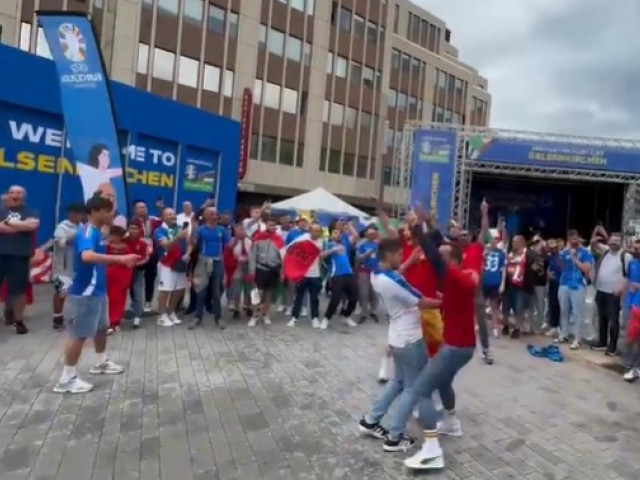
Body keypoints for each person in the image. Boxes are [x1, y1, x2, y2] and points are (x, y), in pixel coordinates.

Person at [396, 223, 478, 471]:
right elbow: (444, 299)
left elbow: (433, 255)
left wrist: (418, 229)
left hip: (456, 347)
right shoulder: (459, 278)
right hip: (458, 345)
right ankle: (452, 423)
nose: (433, 261)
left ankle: (432, 450)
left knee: (421, 390)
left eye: (441, 258)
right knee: (442, 382)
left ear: (451, 260)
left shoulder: (455, 276)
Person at [358, 237, 442, 452]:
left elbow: (396, 276)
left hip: (397, 337)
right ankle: (395, 436)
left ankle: (371, 420)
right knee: (412, 389)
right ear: (389, 255)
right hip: (410, 340)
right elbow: (421, 301)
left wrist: (408, 263)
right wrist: (450, 301)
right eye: (399, 255)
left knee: (397, 382)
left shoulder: (378, 273)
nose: (401, 258)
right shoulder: (391, 281)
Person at [53, 196, 138, 394]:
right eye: (109, 211)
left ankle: (100, 363)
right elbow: (87, 256)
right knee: (79, 336)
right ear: (97, 211)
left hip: (98, 291)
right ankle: (66, 379)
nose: (112, 215)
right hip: (85, 294)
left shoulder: (97, 232)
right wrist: (121, 258)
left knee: (101, 328)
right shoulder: (88, 231)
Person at [0, 185, 40, 334]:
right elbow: (25, 226)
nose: (15, 195)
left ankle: (18, 320)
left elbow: (32, 226)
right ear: (8, 195)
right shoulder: (1, 209)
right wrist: (20, 226)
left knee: (19, 290)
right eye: (12, 192)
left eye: (18, 193)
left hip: (20, 256)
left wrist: (7, 223)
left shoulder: (31, 211)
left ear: (23, 196)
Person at [590, 230, 630, 355]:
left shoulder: (625, 256)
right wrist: (597, 234)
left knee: (613, 320)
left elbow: (629, 275)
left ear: (621, 243)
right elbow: (593, 244)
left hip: (613, 294)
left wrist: (622, 289)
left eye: (617, 240)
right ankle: (602, 342)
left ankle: (612, 346)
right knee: (602, 318)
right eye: (612, 240)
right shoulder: (606, 251)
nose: (614, 242)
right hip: (600, 290)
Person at [189, 207, 230, 329]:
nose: (214, 215)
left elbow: (228, 245)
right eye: (211, 214)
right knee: (201, 290)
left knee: (216, 292)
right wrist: (192, 230)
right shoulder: (201, 230)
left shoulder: (222, 230)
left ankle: (218, 318)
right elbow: (193, 244)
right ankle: (198, 317)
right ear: (206, 216)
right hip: (203, 261)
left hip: (217, 261)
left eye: (216, 213)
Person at [556, 229, 593, 349]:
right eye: (571, 238)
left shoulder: (585, 252)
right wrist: (562, 254)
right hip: (564, 284)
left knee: (578, 314)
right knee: (564, 311)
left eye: (576, 238)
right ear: (568, 240)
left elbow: (586, 269)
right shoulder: (563, 252)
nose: (574, 240)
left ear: (579, 238)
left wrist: (574, 257)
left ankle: (578, 339)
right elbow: (561, 267)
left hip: (578, 285)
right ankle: (564, 334)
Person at [154, 208, 191, 327]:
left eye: (174, 214)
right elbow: (166, 246)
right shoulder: (159, 230)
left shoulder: (180, 228)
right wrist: (177, 237)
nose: (172, 216)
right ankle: (161, 316)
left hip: (181, 263)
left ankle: (172, 312)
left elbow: (190, 243)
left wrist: (188, 254)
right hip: (166, 263)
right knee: (165, 289)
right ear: (163, 217)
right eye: (169, 214)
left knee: (179, 289)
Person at [52, 203, 85, 331]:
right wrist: (77, 239)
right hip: (63, 265)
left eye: (82, 214)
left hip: (78, 264)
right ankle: (57, 318)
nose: (80, 217)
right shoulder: (62, 227)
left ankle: (76, 317)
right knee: (61, 292)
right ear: (71, 214)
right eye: (77, 214)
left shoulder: (82, 226)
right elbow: (61, 243)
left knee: (77, 292)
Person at [320, 225, 360, 329]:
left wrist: (349, 225)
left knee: (354, 298)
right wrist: (333, 250)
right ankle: (326, 318)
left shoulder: (345, 243)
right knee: (335, 299)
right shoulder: (328, 244)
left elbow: (356, 236)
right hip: (337, 275)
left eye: (339, 233)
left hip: (349, 274)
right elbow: (322, 256)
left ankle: (346, 316)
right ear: (331, 235)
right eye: (335, 233)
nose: (337, 235)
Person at [288, 222, 324, 328]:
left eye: (318, 231)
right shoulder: (303, 240)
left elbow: (320, 258)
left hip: (315, 274)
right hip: (303, 274)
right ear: (310, 231)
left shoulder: (320, 243)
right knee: (299, 296)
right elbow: (294, 250)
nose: (316, 233)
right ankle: (294, 317)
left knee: (314, 298)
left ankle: (315, 318)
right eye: (314, 230)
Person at [248, 217, 284, 326]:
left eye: (273, 225)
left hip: (273, 270)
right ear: (266, 225)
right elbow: (253, 255)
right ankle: (254, 315)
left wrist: (282, 272)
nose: (271, 227)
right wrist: (252, 271)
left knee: (269, 294)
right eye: (269, 225)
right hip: (260, 268)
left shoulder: (279, 240)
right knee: (257, 294)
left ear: (276, 227)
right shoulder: (259, 237)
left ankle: (265, 314)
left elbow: (283, 257)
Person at [129, 200, 162, 313]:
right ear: (135, 209)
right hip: (137, 254)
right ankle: (135, 303)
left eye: (144, 206)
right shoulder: (131, 222)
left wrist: (160, 208)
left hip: (152, 254)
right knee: (134, 280)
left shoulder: (152, 220)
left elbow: (164, 220)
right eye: (140, 207)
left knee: (151, 278)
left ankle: (148, 302)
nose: (143, 209)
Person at [502, 235, 536, 338]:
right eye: (512, 242)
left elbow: (535, 268)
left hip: (522, 286)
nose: (513, 244)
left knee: (519, 307)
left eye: (515, 242)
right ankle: (506, 325)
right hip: (509, 285)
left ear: (522, 243)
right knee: (506, 307)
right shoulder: (510, 254)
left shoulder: (529, 254)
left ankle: (517, 328)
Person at [106, 226, 134, 334]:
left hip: (122, 276)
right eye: (112, 235)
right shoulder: (107, 246)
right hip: (109, 275)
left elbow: (130, 263)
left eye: (116, 235)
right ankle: (109, 321)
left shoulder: (126, 247)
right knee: (110, 299)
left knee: (119, 299)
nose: (113, 237)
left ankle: (116, 321)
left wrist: (128, 277)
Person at [224, 224, 253, 320]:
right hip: (236, 268)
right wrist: (236, 259)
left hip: (248, 268)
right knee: (237, 289)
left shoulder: (250, 242)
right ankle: (237, 308)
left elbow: (254, 254)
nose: (240, 232)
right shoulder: (231, 242)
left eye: (242, 230)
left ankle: (248, 305)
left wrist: (248, 259)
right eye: (238, 230)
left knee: (248, 289)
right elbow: (227, 256)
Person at [125, 222, 150, 329]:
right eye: (131, 228)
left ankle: (137, 316)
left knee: (137, 292)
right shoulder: (123, 241)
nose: (133, 231)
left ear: (140, 230)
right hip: (124, 271)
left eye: (136, 228)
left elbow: (147, 257)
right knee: (125, 292)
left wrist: (139, 263)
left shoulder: (143, 243)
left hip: (137, 271)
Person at [482, 233, 507, 339]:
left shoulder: (501, 253)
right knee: (480, 305)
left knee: (494, 306)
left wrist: (503, 283)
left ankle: (495, 327)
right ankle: (479, 325)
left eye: (496, 240)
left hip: (495, 281)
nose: (494, 241)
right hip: (484, 281)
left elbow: (504, 269)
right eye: (492, 240)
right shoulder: (484, 251)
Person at [622, 239, 640, 382]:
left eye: (637, 249)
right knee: (631, 338)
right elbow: (628, 281)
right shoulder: (632, 263)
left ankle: (635, 366)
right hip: (632, 305)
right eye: (634, 248)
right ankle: (630, 366)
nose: (635, 251)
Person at [356, 225, 380, 324]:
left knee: (375, 293)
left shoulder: (378, 245)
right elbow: (358, 258)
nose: (372, 236)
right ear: (366, 234)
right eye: (370, 234)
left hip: (375, 271)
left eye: (373, 234)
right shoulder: (362, 244)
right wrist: (368, 254)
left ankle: (373, 311)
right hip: (364, 271)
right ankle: (363, 313)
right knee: (364, 293)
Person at [545, 239, 562, 337]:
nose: (554, 250)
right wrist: (548, 275)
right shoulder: (550, 258)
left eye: (555, 248)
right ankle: (553, 325)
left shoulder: (561, 257)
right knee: (552, 305)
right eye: (551, 248)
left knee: (557, 305)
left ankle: (557, 327)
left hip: (560, 283)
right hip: (552, 284)